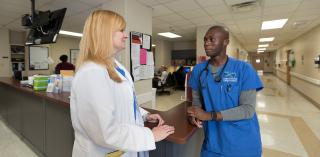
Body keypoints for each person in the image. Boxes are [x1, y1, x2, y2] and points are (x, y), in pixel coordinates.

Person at [70, 10, 174, 157]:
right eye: (121, 30)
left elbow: (123, 103)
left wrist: (144, 115)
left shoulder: (116, 66)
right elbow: (104, 132)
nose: (126, 35)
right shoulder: (92, 72)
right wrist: (150, 135)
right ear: (104, 32)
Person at [187, 25, 263, 157]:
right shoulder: (199, 70)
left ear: (225, 42)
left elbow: (248, 109)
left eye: (212, 39)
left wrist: (210, 115)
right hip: (213, 143)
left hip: (243, 144)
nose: (206, 43)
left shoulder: (244, 69)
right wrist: (193, 115)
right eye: (205, 40)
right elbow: (196, 101)